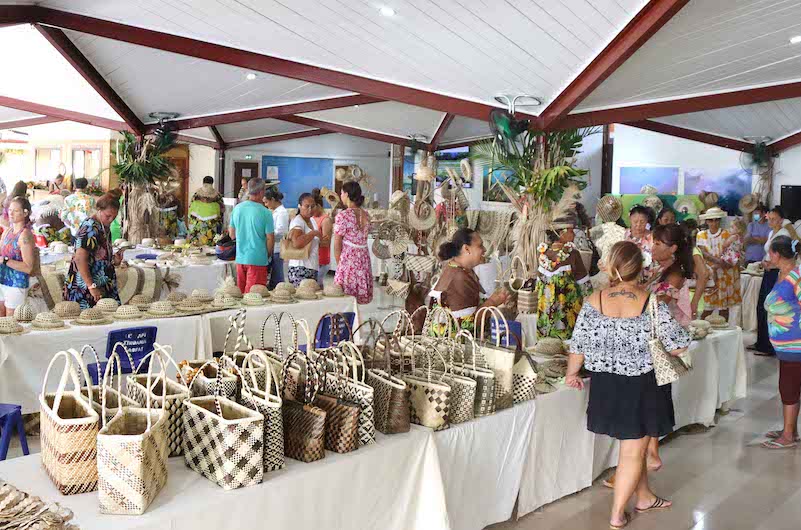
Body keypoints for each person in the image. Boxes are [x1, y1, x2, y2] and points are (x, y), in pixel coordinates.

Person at [566, 241, 691, 529]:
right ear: (641, 268)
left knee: (633, 446)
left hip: (607, 385)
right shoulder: (650, 302)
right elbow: (678, 345)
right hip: (641, 386)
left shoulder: (593, 300)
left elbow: (579, 344)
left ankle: (644, 497)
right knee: (633, 452)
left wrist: (572, 373)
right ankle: (617, 514)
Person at [431, 228, 510, 332]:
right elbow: (467, 324)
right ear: (467, 249)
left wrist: (497, 299)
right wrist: (493, 301)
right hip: (452, 345)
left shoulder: (459, 270)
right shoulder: (459, 277)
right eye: (480, 245)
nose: (485, 250)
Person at [762, 236, 801, 449]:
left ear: (776, 254)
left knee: (789, 387)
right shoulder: (780, 274)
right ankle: (790, 428)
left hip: (796, 345)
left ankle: (788, 436)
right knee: (788, 386)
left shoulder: (797, 276)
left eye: (770, 253)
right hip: (786, 346)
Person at [63, 190, 123, 308]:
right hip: (86, 287)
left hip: (102, 284)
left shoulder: (104, 227)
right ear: (99, 210)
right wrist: (91, 286)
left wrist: (113, 260)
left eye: (114, 217)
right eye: (108, 216)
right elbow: (80, 259)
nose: (110, 220)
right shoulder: (90, 228)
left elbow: (98, 256)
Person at [535, 219, 590, 340]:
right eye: (571, 231)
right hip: (566, 310)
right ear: (561, 234)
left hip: (546, 310)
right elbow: (584, 284)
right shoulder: (573, 254)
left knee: (547, 345)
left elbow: (538, 283)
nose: (574, 234)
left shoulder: (542, 255)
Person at [753, 207, 798, 356]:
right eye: (769, 219)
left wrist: (772, 264)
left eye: (773, 219)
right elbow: (768, 252)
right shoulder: (772, 232)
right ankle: (762, 342)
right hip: (768, 270)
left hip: (775, 272)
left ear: (781, 219)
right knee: (761, 306)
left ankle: (769, 344)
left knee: (773, 306)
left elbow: (786, 257)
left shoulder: (785, 233)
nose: (770, 222)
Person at [229, 177, 274, 294]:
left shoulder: (237, 209)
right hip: (257, 259)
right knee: (254, 298)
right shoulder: (266, 213)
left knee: (240, 295)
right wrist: (267, 254)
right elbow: (270, 238)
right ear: (262, 192)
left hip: (240, 258)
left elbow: (232, 234)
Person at [696, 207, 741, 319]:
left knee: (724, 308)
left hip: (725, 273)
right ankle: (703, 328)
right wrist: (718, 262)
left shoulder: (727, 234)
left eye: (716, 220)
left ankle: (723, 331)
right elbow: (703, 252)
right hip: (710, 273)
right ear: (706, 221)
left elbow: (733, 253)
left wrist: (723, 263)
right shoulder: (701, 235)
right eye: (711, 220)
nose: (714, 223)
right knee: (707, 308)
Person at [332, 182, 373, 304]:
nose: (341, 196)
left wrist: (339, 264)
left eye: (341, 193)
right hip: (363, 257)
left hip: (349, 259)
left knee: (345, 296)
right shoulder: (366, 215)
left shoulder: (343, 216)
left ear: (346, 194)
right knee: (358, 298)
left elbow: (337, 243)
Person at [0, 197, 36, 316]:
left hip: (16, 283)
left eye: (15, 210)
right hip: (2, 279)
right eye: (10, 210)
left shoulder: (25, 235)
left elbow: (28, 267)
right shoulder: (8, 231)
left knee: (11, 322)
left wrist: (5, 261)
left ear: (25, 213)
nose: (11, 213)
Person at [287, 193, 320, 286]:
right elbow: (297, 243)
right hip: (300, 268)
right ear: (300, 206)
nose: (310, 209)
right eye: (307, 206)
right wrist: (313, 233)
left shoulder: (312, 220)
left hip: (311, 266)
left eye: (312, 206)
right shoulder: (298, 221)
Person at [187, 176, 224, 246]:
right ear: (212, 183)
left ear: (203, 182)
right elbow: (222, 211)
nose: (206, 200)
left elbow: (190, 210)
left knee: (195, 246)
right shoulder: (218, 196)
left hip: (196, 228)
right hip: (211, 229)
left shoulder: (196, 195)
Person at [264, 189, 288, 288]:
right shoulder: (274, 211)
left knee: (278, 277)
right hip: (272, 246)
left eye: (266, 202)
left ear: (273, 199)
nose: (265, 204)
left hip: (277, 248)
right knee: (273, 277)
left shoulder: (282, 212)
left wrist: (267, 235)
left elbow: (280, 232)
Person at [312, 188, 334, 288]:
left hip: (321, 260)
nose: (310, 210)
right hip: (312, 258)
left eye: (312, 207)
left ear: (319, 206)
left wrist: (309, 241)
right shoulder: (312, 218)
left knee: (317, 285)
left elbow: (326, 242)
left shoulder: (326, 220)